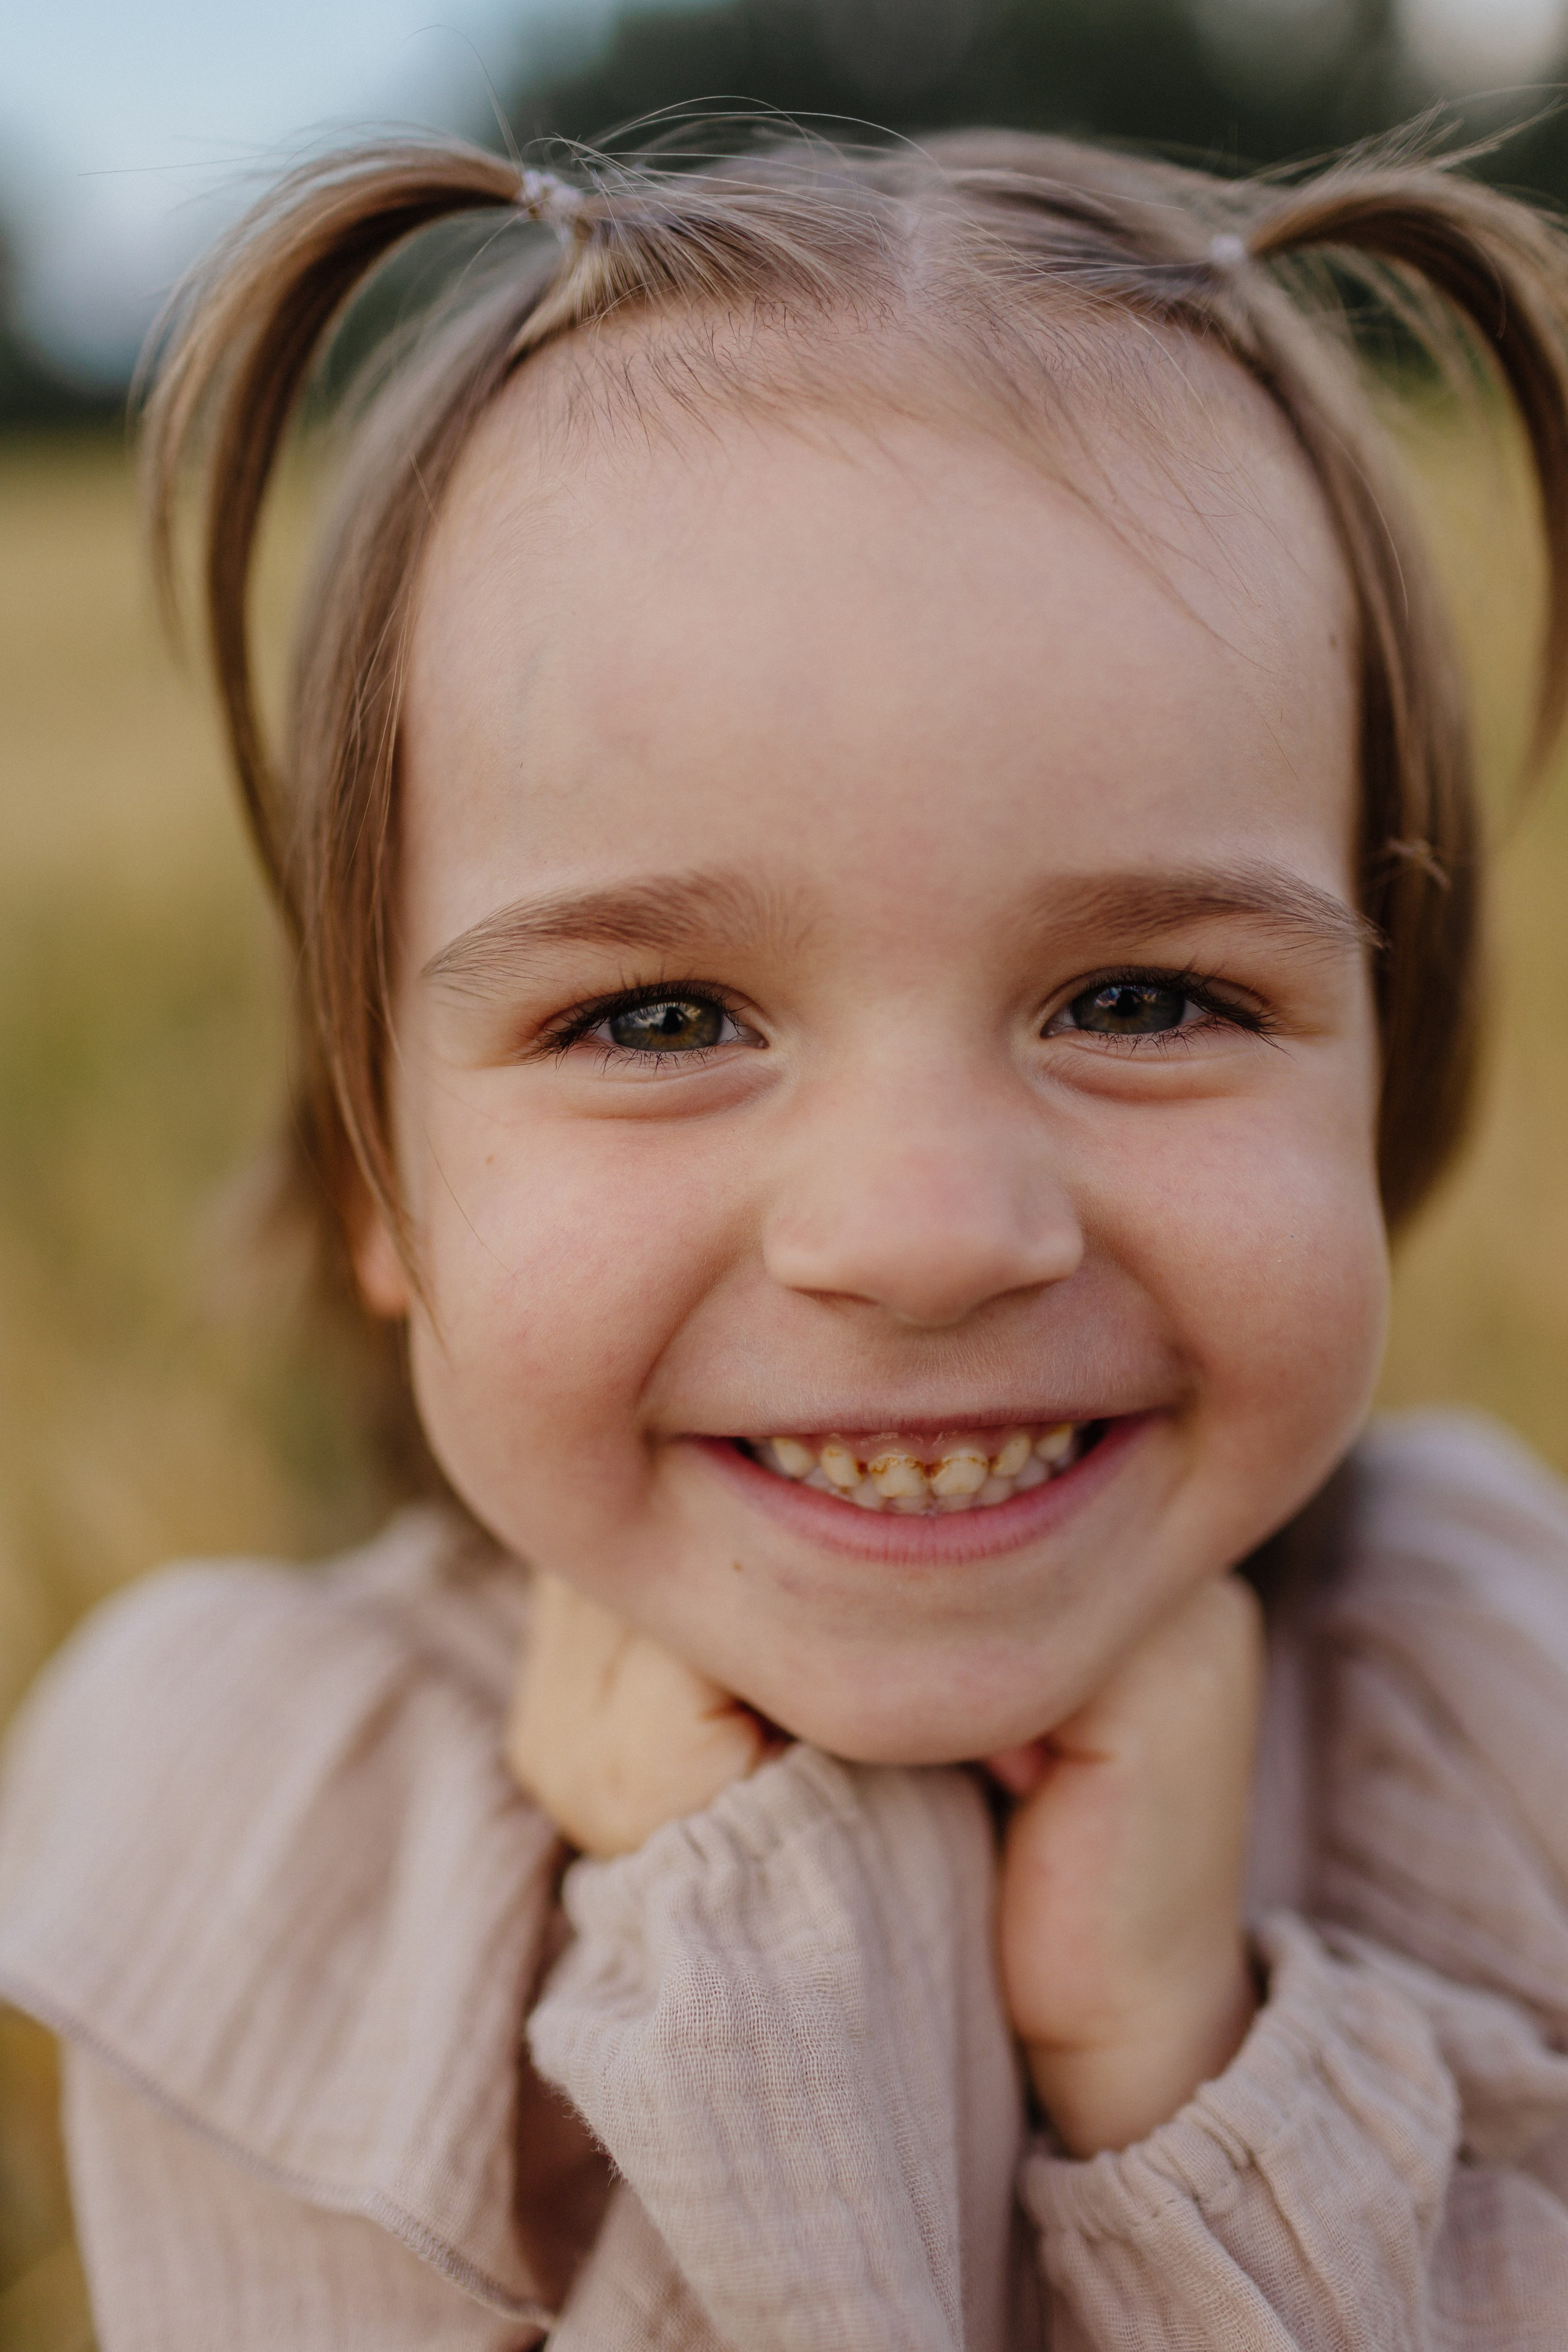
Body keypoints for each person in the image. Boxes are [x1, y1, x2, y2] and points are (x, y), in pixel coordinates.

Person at [4, 119, 1568, 2348]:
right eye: (657, 1019)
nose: (926, 1237)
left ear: (1382, 1084)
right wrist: (761, 1942)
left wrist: (1188, 2068)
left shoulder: (1503, 1704)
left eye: (1148, 1002)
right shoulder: (264, 1838)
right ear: (376, 1166)